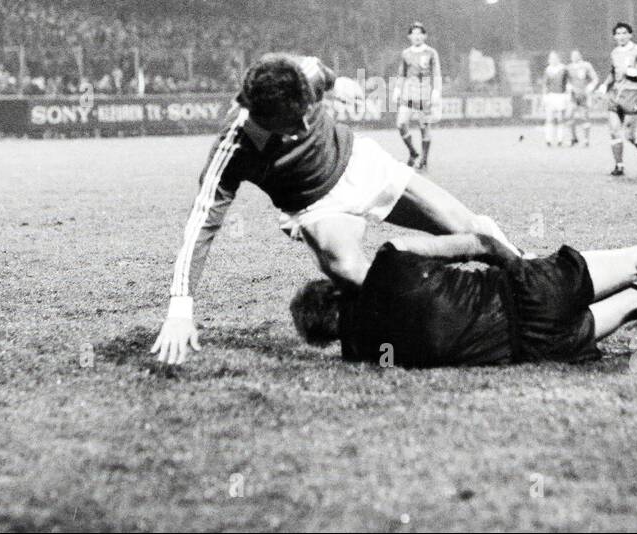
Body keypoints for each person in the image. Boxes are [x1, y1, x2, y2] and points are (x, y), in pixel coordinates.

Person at [152, 52, 519, 366]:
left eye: (307, 111)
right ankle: (426, 326)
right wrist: (179, 312)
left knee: (470, 227)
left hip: (360, 163)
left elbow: (326, 77)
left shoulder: (304, 75)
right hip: (317, 205)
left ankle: (536, 278)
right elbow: (199, 229)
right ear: (257, 114)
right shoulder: (232, 150)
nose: (304, 124)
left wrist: (342, 83)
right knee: (351, 271)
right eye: (291, 124)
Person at [289, 218, 637, 367]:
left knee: (635, 301)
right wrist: (525, 269)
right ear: (336, 288)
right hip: (526, 292)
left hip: (539, 346)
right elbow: (480, 240)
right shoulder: (389, 263)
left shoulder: (361, 354)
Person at [604, 23, 637, 175]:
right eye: (618, 34)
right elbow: (613, 73)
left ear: (630, 35)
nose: (621, 36)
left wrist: (635, 72)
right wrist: (604, 85)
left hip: (632, 94)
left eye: (624, 33)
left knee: (630, 135)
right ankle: (619, 166)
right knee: (614, 131)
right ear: (614, 36)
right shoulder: (614, 53)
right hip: (616, 95)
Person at [392, 22, 442, 170]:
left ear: (425, 36)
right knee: (401, 124)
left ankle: (424, 160)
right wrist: (397, 89)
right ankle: (413, 153)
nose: (417, 36)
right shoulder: (406, 53)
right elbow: (402, 74)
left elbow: (437, 73)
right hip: (408, 94)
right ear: (409, 36)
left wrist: (436, 91)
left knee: (424, 127)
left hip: (424, 95)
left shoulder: (431, 53)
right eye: (414, 33)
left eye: (420, 33)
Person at [565, 49, 600, 147]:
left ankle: (586, 140)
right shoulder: (569, 67)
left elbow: (595, 78)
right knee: (568, 116)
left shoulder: (586, 66)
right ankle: (573, 138)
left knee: (584, 117)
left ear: (580, 56)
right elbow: (566, 80)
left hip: (583, 95)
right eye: (572, 55)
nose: (574, 57)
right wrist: (568, 86)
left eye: (576, 55)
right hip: (573, 95)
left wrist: (590, 87)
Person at [542, 51, 570, 147]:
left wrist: (567, 96)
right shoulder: (548, 70)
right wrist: (545, 97)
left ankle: (560, 140)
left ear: (558, 58)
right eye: (551, 58)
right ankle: (548, 140)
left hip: (561, 96)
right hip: (551, 96)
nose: (552, 60)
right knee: (549, 118)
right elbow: (545, 84)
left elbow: (567, 83)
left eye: (554, 58)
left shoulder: (563, 69)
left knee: (560, 119)